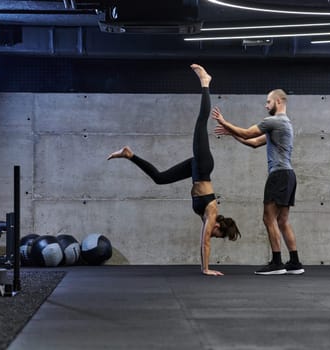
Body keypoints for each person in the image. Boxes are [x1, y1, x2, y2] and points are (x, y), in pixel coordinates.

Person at [107, 64, 240, 276]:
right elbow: (205, 242)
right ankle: (206, 82)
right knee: (200, 123)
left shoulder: (207, 217)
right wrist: (206, 269)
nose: (212, 235)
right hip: (204, 167)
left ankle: (129, 154)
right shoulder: (212, 213)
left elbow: (205, 239)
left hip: (196, 171)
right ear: (217, 228)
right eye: (216, 235)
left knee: (159, 178)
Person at [212, 89, 304, 275]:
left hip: (278, 175)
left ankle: (277, 263)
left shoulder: (273, 121)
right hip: (289, 175)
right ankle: (294, 263)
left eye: (268, 101)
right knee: (283, 221)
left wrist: (224, 122)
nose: (266, 105)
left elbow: (247, 133)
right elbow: (253, 142)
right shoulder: (284, 124)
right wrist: (232, 133)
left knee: (268, 218)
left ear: (278, 101)